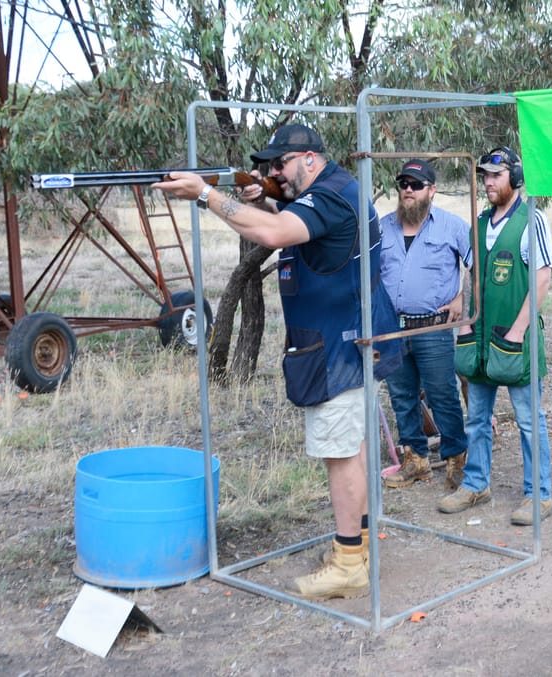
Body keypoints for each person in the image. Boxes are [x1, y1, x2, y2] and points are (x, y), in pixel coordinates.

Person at [153, 124, 402, 600]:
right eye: (268, 168)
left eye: (280, 166)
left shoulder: (329, 195)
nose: (273, 174)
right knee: (352, 446)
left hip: (338, 348)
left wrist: (205, 194)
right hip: (344, 340)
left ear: (309, 158)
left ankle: (350, 562)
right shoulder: (332, 189)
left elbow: (272, 232)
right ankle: (360, 546)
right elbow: (294, 223)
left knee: (341, 452)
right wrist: (265, 199)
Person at [439, 146, 552, 526]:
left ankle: (539, 494)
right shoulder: (479, 222)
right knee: (477, 417)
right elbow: (472, 274)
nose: (488, 182)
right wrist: (466, 321)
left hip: (515, 342)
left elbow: (541, 278)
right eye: (485, 176)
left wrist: (519, 331)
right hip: (481, 342)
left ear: (516, 180)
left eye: (496, 176)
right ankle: (476, 484)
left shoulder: (531, 220)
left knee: (527, 419)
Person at [379, 159, 471, 490]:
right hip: (392, 329)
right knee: (402, 395)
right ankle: (415, 460)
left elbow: (478, 265)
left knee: (443, 394)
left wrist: (462, 299)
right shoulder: (383, 227)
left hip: (433, 328)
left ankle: (457, 459)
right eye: (403, 183)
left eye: (416, 184)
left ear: (431, 190)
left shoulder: (453, 227)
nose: (407, 189)